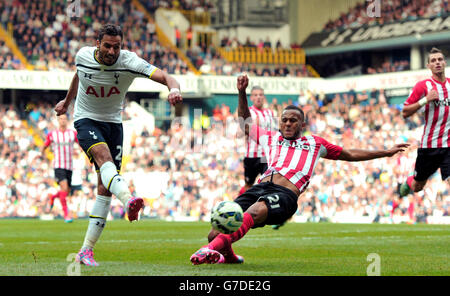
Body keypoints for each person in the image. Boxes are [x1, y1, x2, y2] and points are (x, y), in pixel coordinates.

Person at [190, 74, 409, 265]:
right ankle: (227, 256)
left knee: (254, 212)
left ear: (301, 125)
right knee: (214, 233)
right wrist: (241, 92)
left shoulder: (315, 144)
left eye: (293, 121)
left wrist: (386, 152)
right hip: (260, 188)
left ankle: (208, 251)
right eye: (284, 120)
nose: (287, 124)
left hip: (284, 195)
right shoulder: (270, 137)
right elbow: (244, 123)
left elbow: (350, 154)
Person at [55, 24, 183, 266]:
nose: (112, 51)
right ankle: (128, 200)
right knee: (104, 159)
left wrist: (174, 88)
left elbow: (166, 76)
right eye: (107, 46)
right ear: (98, 44)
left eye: (117, 46)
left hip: (114, 124)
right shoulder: (82, 56)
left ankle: (86, 251)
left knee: (104, 187)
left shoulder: (129, 61)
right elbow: (79, 76)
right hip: (85, 119)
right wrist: (67, 101)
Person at [398, 47, 450, 198]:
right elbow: (405, 112)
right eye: (433, 61)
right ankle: (409, 181)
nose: (437, 63)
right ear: (428, 66)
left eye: (440, 59)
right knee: (417, 186)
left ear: (444, 62)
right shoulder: (423, 86)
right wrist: (425, 100)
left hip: (449, 146)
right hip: (430, 146)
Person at [239, 85, 276, 196]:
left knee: (268, 183)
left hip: (266, 155)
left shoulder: (270, 113)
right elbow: (241, 132)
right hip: (251, 155)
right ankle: (240, 205)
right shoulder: (248, 112)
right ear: (251, 98)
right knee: (248, 184)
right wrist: (251, 128)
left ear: (264, 97)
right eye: (255, 95)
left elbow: (274, 131)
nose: (258, 97)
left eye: (260, 95)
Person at [41, 113, 78, 223]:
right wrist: (43, 156)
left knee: (66, 191)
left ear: (67, 120)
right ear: (58, 120)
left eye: (64, 119)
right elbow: (45, 145)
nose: (63, 121)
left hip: (69, 166)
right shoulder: (53, 134)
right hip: (58, 165)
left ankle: (53, 197)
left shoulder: (72, 134)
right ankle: (66, 214)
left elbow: (81, 144)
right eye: (61, 119)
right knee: (64, 187)